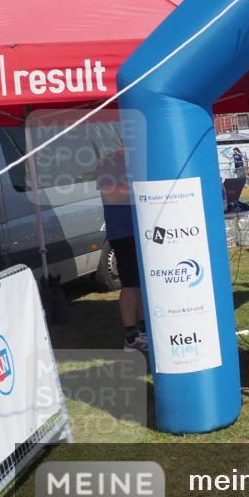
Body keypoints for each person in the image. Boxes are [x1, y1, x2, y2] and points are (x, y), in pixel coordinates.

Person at [95, 148, 147, 354]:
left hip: (138, 231)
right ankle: (131, 336)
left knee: (141, 283)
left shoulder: (130, 161)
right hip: (123, 232)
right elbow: (112, 197)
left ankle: (143, 330)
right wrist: (139, 188)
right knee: (130, 283)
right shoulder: (109, 163)